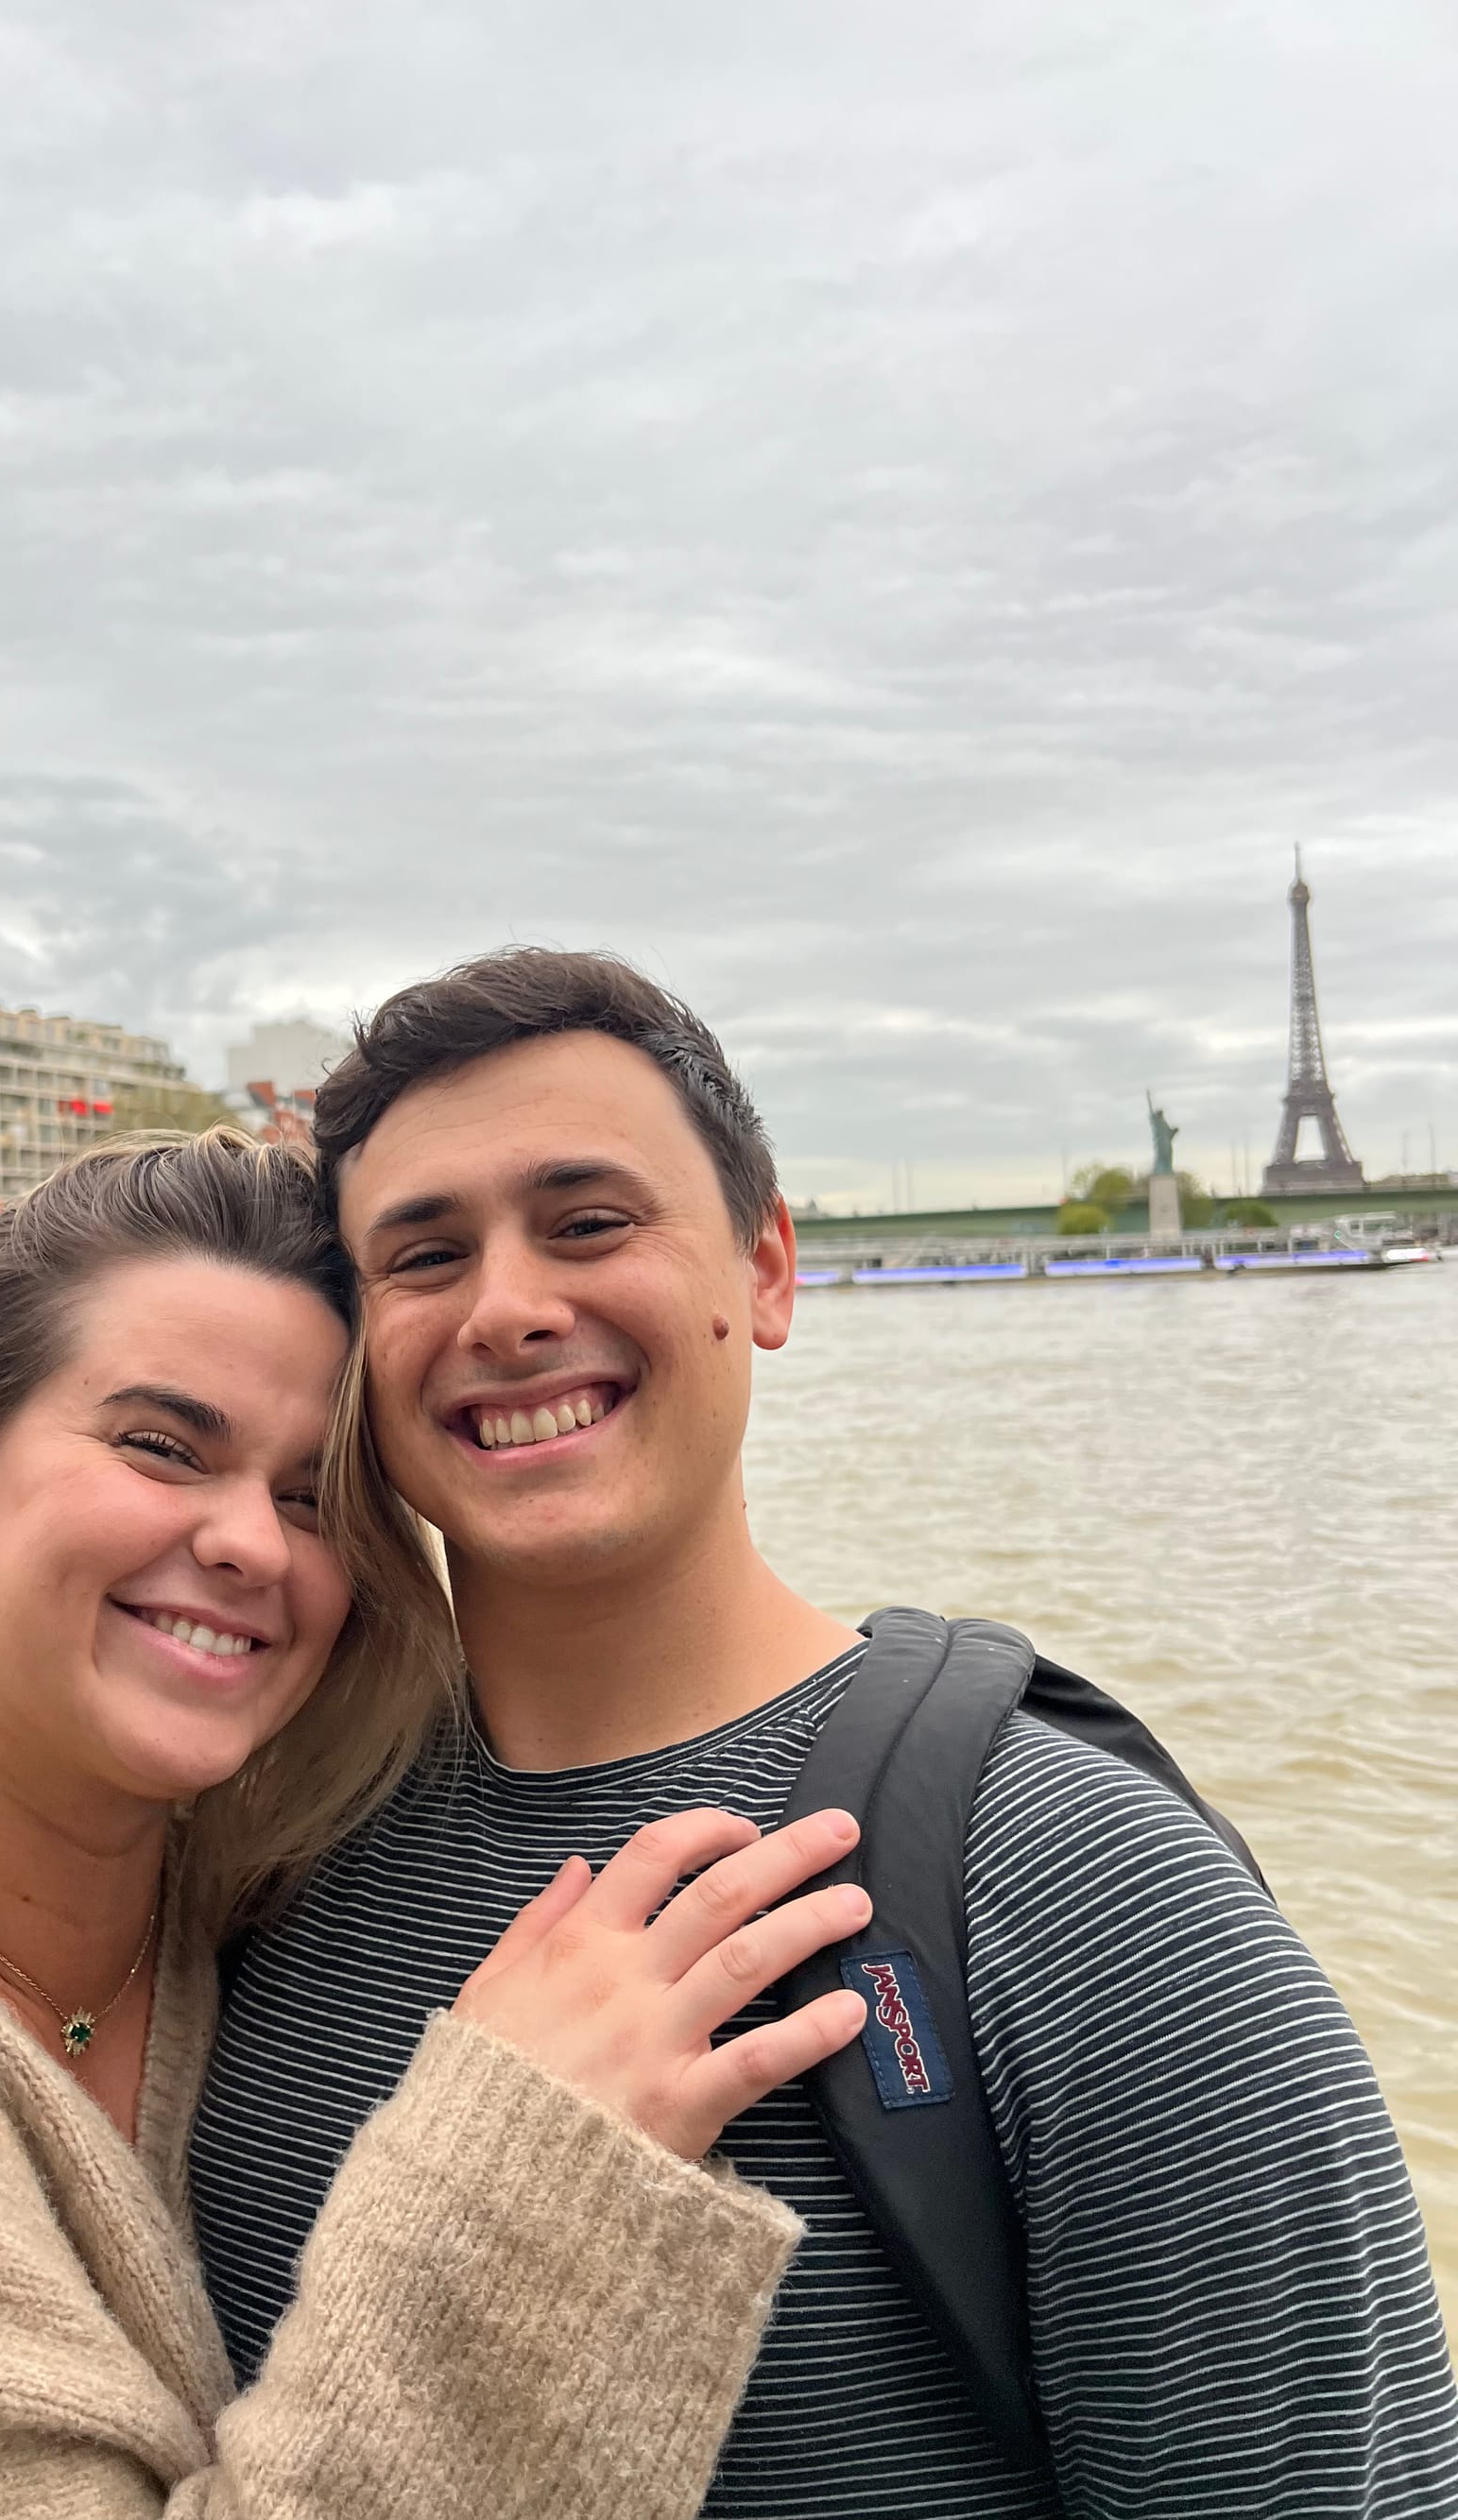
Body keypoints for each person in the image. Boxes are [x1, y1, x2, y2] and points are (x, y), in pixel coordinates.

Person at [193, 951, 1458, 2518]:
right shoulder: (254, 1855)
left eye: (590, 1222)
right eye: (424, 1256)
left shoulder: (1095, 1902)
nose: (509, 1309)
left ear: (767, 1270)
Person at [0, 1128, 886, 2520]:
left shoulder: (228, 1942)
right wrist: (529, 2178)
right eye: (159, 1446)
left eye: (310, 1498)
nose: (253, 1544)